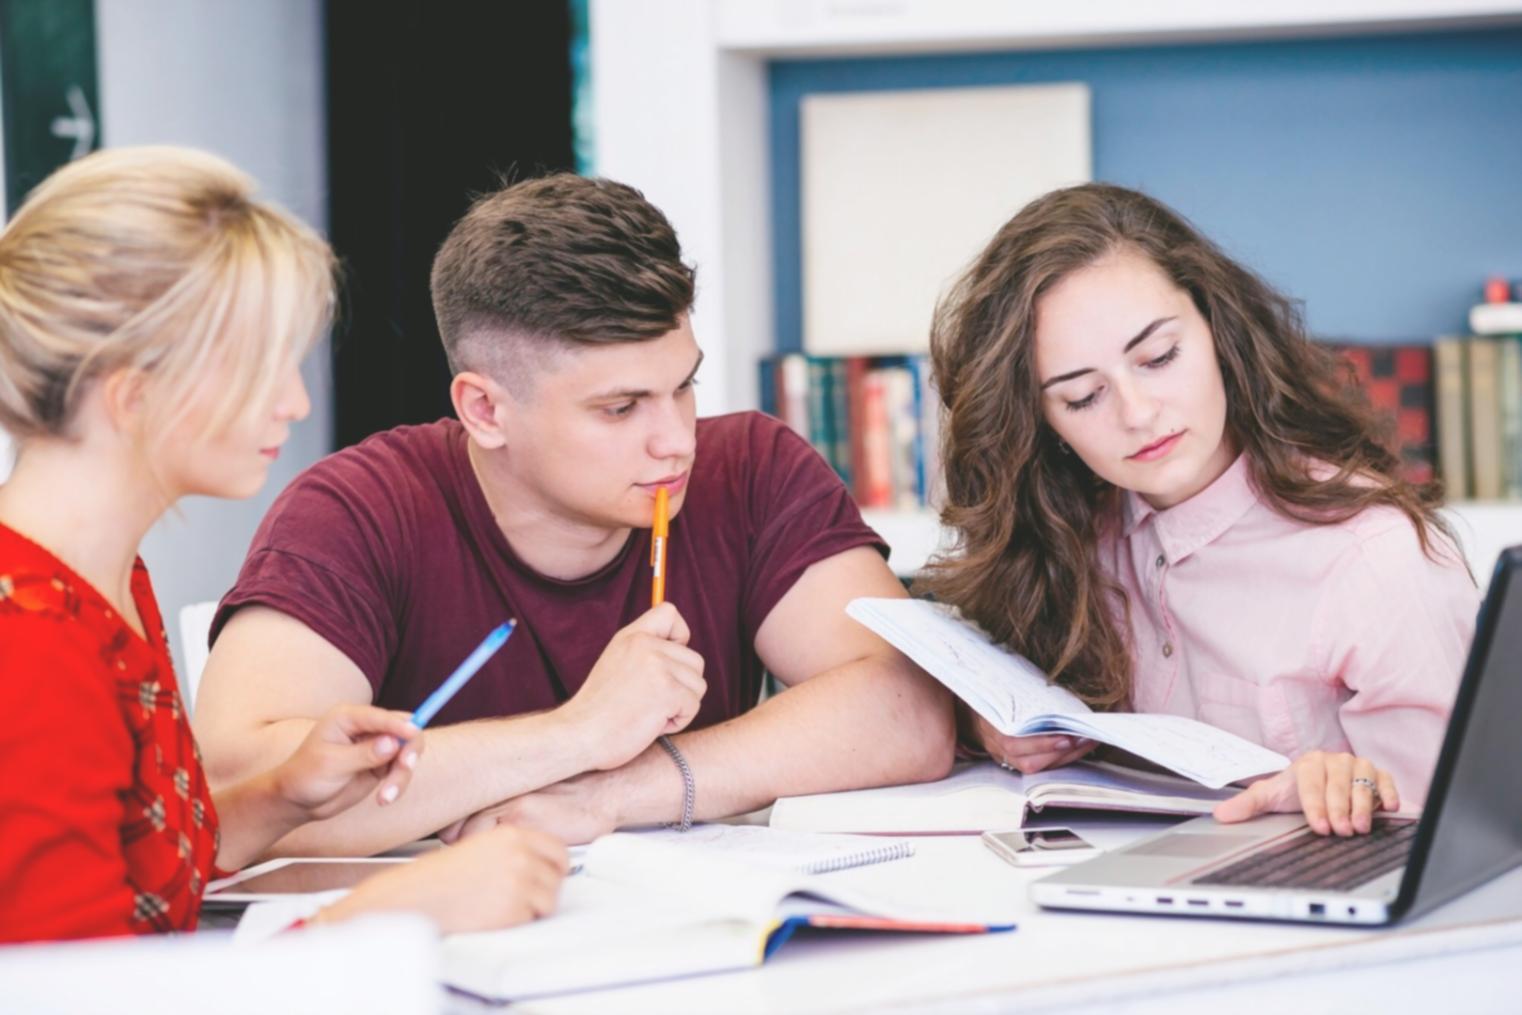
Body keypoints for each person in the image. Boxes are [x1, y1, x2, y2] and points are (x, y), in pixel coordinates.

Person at [192, 173, 955, 855]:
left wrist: (612, 793)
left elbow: (910, 710)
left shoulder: (753, 467)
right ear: (485, 409)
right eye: (620, 407)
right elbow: (239, 786)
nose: (676, 439)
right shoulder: (359, 509)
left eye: (683, 386)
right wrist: (577, 733)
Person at [0, 146, 566, 943]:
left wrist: (282, 793)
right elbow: (77, 993)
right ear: (133, 393)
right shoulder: (31, 636)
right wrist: (385, 916)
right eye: (261, 368)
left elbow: (136, 867)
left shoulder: (104, 575)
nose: (295, 402)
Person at [921, 183, 1477, 838]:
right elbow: (962, 677)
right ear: (1043, 425)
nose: (1137, 412)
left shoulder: (1379, 560)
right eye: (1082, 396)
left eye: (1158, 357)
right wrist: (985, 725)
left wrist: (1348, 792)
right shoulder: (1059, 542)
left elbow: (1469, 837)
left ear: (1219, 329)